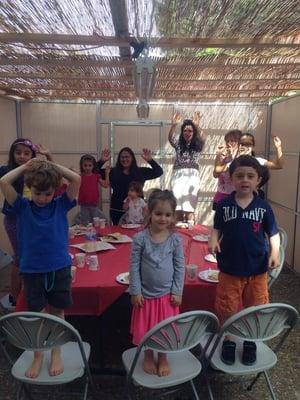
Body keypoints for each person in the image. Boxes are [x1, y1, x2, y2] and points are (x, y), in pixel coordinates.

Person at [0, 158, 81, 378]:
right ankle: (38, 355)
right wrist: (28, 167)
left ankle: (56, 352)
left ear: (54, 191)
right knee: (37, 314)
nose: (43, 199)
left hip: (59, 269)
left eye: (47, 194)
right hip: (32, 270)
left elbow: (76, 179)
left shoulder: (60, 204)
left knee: (57, 311)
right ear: (30, 189)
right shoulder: (22, 206)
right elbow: (4, 182)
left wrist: (51, 165)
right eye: (38, 193)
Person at [209, 155, 280, 366]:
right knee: (227, 307)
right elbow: (217, 228)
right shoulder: (223, 205)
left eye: (250, 176)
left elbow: (273, 233)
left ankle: (250, 340)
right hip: (230, 268)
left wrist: (275, 251)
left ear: (258, 179)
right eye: (239, 176)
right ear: (231, 178)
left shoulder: (264, 207)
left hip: (257, 270)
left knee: (255, 306)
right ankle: (229, 340)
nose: (245, 180)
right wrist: (213, 240)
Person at [129, 189, 185, 376]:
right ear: (149, 213)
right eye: (158, 214)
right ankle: (147, 355)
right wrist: (135, 291)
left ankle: (163, 357)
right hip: (145, 296)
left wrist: (177, 291)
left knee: (165, 331)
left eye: (168, 215)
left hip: (167, 297)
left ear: (173, 216)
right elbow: (134, 267)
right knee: (147, 330)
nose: (163, 218)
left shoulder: (175, 240)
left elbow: (180, 267)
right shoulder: (140, 239)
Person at [0, 139, 53, 305]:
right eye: (18, 153)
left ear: (32, 155)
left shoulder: (35, 172)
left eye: (26, 153)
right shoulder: (7, 170)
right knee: (20, 258)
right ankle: (15, 297)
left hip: (32, 220)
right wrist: (25, 166)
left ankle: (29, 292)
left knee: (30, 255)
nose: (22, 156)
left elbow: (53, 177)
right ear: (12, 154)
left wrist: (48, 156)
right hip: (15, 220)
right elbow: (4, 181)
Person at [97, 147, 163, 225]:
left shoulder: (141, 172)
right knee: (119, 234)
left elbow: (159, 172)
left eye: (127, 157)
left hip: (137, 212)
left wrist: (150, 160)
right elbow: (93, 171)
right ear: (119, 159)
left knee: (136, 234)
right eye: (122, 157)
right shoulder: (112, 172)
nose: (124, 159)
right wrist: (102, 161)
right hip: (117, 210)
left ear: (132, 158)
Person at [168, 111, 205, 223]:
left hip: (192, 176)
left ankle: (190, 232)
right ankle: (180, 236)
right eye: (185, 130)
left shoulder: (198, 145)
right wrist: (174, 124)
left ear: (193, 132)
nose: (187, 132)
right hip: (178, 176)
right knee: (178, 208)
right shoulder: (178, 144)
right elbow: (170, 138)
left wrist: (197, 126)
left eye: (190, 130)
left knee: (189, 209)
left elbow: (203, 138)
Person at [212, 129, 242, 210]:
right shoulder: (224, 157)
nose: (229, 143)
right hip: (221, 194)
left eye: (232, 141)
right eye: (227, 141)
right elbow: (215, 174)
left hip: (235, 195)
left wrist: (232, 157)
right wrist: (218, 155)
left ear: (239, 143)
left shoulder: (241, 157)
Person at [77, 154, 109, 225]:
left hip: (94, 204)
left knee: (95, 224)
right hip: (83, 204)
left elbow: (105, 185)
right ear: (82, 166)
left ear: (93, 166)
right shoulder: (79, 176)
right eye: (85, 165)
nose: (87, 167)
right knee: (85, 224)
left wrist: (107, 173)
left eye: (89, 165)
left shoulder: (96, 176)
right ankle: (85, 235)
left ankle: (95, 235)